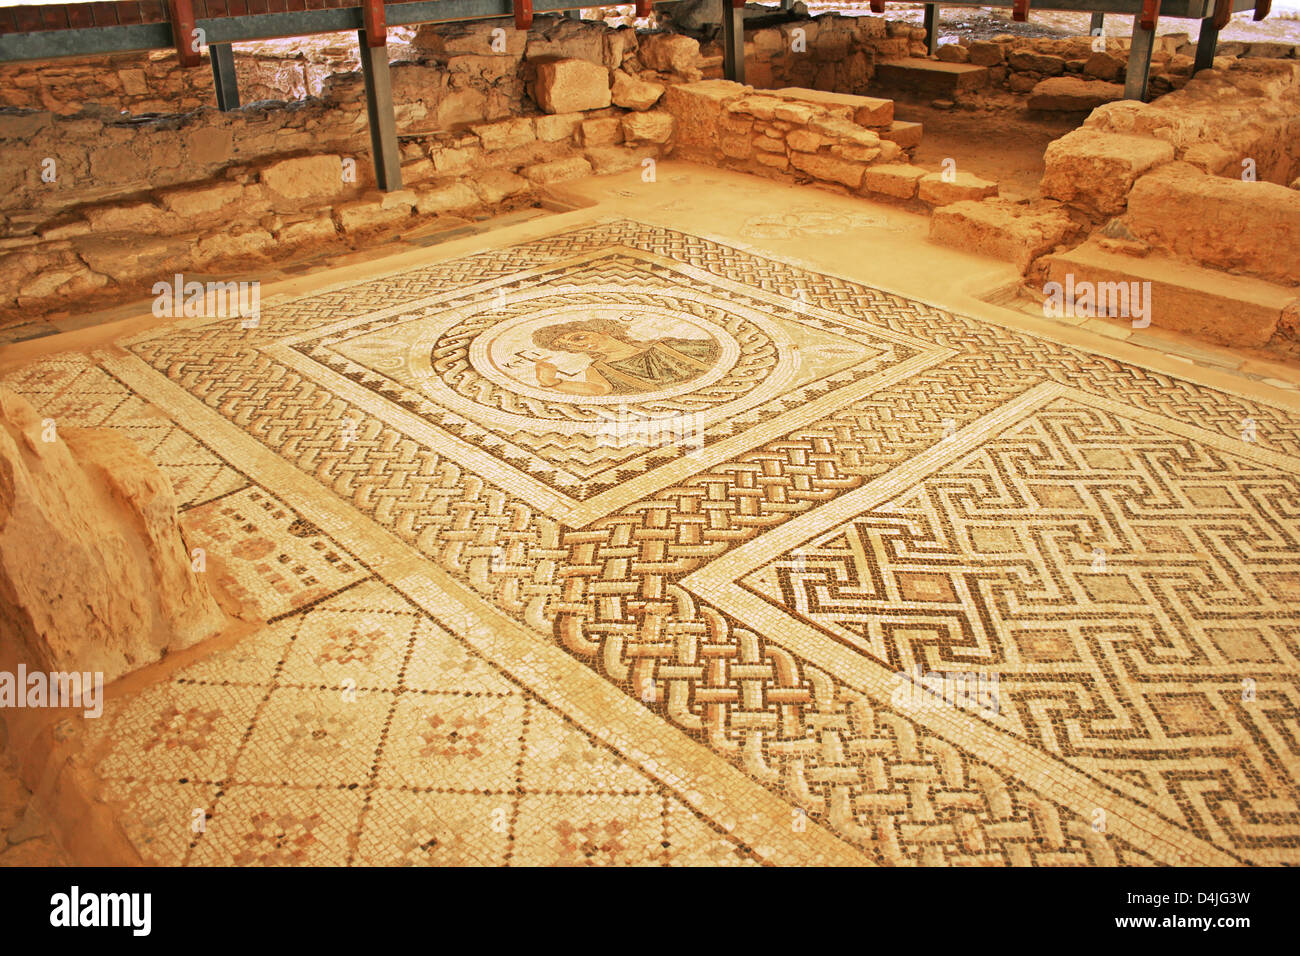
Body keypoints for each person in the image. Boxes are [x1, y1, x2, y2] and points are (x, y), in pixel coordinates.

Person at [527, 317, 720, 397]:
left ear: (602, 331)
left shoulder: (666, 345)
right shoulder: (598, 369)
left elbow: (716, 353)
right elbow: (598, 389)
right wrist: (550, 381)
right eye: (566, 345)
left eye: (578, 337)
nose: (576, 345)